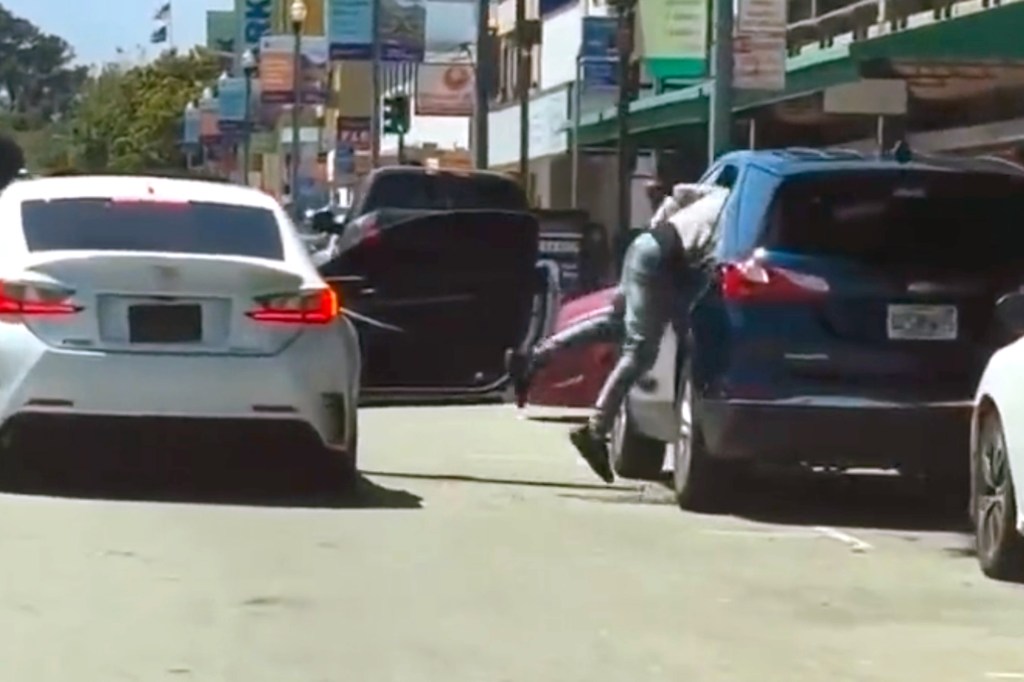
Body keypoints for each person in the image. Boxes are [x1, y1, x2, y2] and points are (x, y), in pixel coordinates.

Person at [569, 186, 730, 483]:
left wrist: (660, 223)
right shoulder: (731, 204)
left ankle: (537, 356)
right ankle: (594, 430)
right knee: (640, 349)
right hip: (660, 256)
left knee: (616, 326)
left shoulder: (722, 196)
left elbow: (682, 193)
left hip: (659, 252)